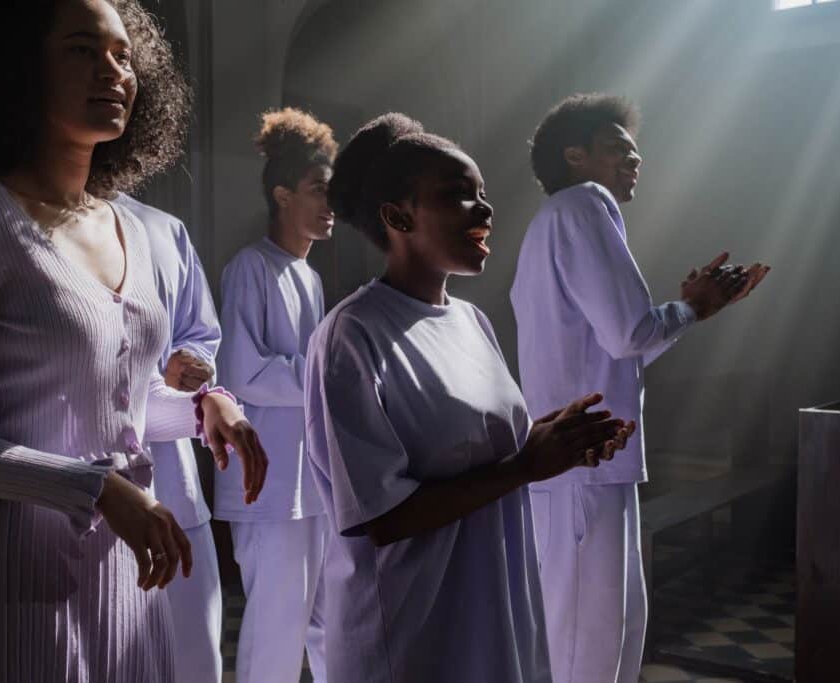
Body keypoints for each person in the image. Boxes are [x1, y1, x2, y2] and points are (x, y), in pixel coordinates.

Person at [0, 2, 267, 681]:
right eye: (83, 50)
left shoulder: (137, 231)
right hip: (8, 579)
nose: (112, 71)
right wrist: (98, 489)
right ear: (20, 68)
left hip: (127, 575)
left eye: (122, 55)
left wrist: (203, 407)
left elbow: (118, 405)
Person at [304, 112, 635, 683]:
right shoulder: (352, 334)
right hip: (413, 632)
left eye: (481, 193)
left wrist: (558, 439)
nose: (483, 208)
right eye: (458, 195)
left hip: (494, 610)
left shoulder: (473, 321)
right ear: (397, 215)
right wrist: (525, 466)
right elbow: (381, 517)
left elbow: (480, 450)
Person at [510, 92, 770, 683]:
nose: (634, 161)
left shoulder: (560, 220)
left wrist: (690, 310)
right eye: (617, 150)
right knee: (586, 646)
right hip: (582, 461)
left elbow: (623, 342)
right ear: (574, 156)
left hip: (591, 460)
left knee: (612, 638)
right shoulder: (583, 204)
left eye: (635, 153)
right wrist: (689, 308)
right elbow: (631, 333)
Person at [214, 108, 336, 682]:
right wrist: (330, 374)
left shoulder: (309, 277)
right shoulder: (251, 268)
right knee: (276, 631)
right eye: (317, 190)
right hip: (266, 485)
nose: (328, 202)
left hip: (310, 483)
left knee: (328, 624)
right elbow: (242, 372)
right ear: (283, 195)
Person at [115, 192, 225, 682]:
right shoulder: (10, 212)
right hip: (87, 494)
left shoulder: (164, 228)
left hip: (174, 481)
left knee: (196, 658)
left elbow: (201, 336)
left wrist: (195, 367)